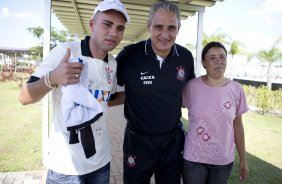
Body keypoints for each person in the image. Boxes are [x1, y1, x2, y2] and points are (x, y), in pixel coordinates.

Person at [17, 0, 130, 183]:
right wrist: (52, 78)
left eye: (120, 28)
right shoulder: (65, 51)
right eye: (107, 24)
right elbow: (23, 97)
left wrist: (147, 92)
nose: (113, 33)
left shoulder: (113, 63)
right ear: (92, 24)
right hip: (66, 168)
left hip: (101, 162)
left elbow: (109, 99)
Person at [111, 1, 195, 184]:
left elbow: (191, 94)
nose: (165, 35)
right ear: (149, 26)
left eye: (171, 28)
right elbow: (109, 94)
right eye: (158, 27)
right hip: (137, 142)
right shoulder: (129, 55)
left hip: (172, 142)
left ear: (178, 28)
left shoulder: (186, 57)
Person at [182, 41, 249, 184]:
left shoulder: (237, 89)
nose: (218, 61)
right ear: (203, 62)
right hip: (194, 158)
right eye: (212, 57)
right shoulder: (191, 86)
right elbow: (173, 109)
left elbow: (238, 126)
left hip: (223, 160)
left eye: (222, 57)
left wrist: (243, 159)